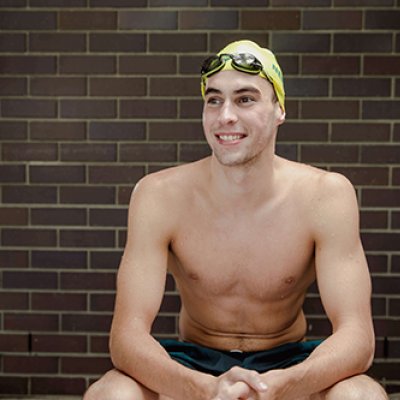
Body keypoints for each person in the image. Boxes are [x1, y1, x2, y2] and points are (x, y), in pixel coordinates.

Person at [84, 40, 388, 400]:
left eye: (245, 99)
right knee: (112, 394)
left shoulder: (326, 195)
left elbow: (358, 337)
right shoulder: (159, 195)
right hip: (193, 361)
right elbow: (126, 337)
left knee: (360, 396)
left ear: (279, 110)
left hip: (288, 361)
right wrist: (206, 389)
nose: (225, 115)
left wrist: (285, 385)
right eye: (214, 99)